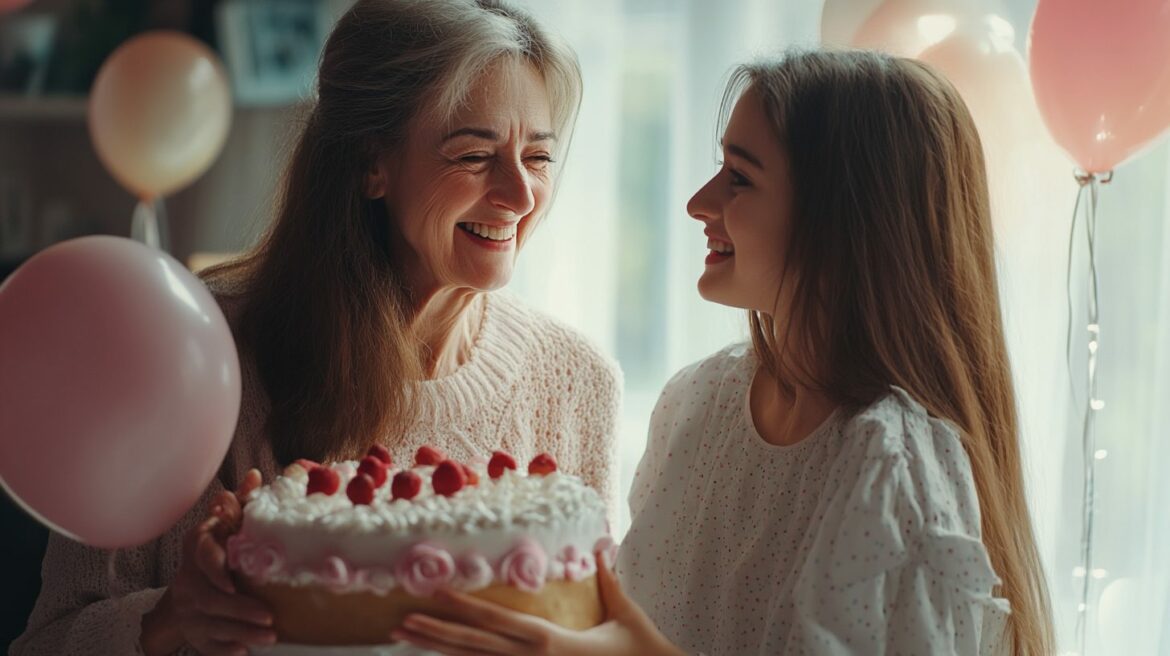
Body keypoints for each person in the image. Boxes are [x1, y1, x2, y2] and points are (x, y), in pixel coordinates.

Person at [391, 49, 1055, 655]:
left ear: (841, 220)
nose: (697, 202)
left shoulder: (893, 467)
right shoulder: (697, 405)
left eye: (740, 178)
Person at [11, 1, 621, 654]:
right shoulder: (194, 356)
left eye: (539, 157)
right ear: (371, 164)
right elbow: (46, 642)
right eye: (474, 154)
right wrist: (165, 622)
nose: (521, 195)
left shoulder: (576, 384)